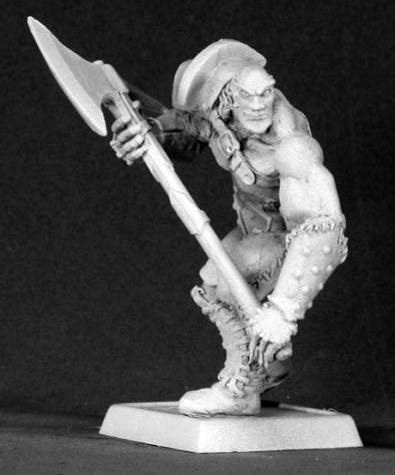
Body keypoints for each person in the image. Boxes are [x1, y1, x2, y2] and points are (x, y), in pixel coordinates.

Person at [110, 40, 348, 417]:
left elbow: (325, 226)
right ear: (226, 99)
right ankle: (269, 366)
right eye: (246, 97)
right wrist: (146, 133)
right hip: (250, 230)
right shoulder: (221, 115)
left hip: (293, 241)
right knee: (213, 285)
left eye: (265, 93)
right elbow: (189, 131)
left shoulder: (291, 144)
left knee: (229, 285)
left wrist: (283, 312)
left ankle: (242, 389)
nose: (258, 105)